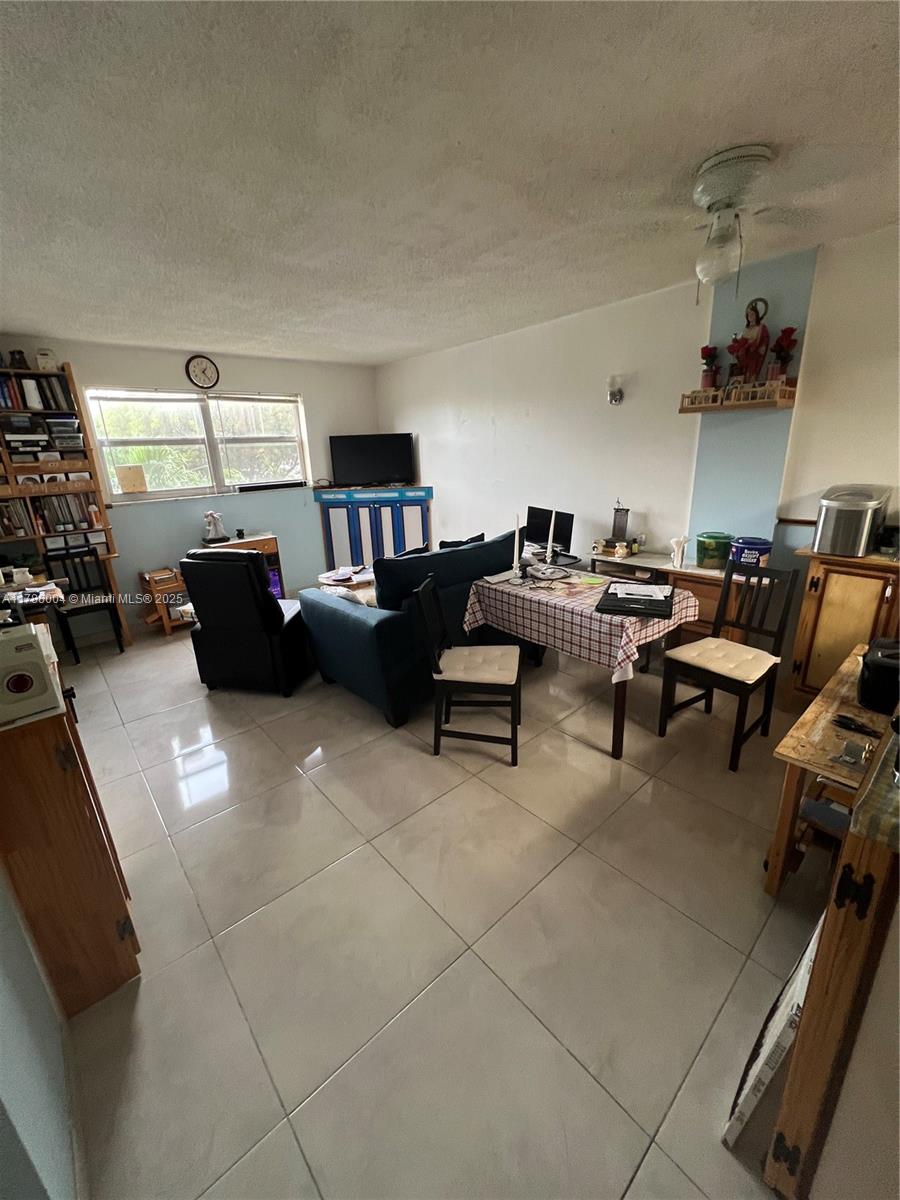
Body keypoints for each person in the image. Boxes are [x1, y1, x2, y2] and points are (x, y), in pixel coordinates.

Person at [736, 297, 770, 382]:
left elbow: (764, 338)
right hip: (746, 353)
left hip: (755, 353)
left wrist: (762, 346)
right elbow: (742, 341)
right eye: (749, 314)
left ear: (756, 315)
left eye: (752, 314)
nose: (750, 316)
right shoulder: (746, 329)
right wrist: (737, 343)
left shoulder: (761, 327)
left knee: (752, 372)